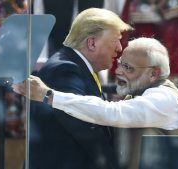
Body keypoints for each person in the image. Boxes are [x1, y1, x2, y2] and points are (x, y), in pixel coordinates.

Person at [14, 37, 178, 169]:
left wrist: (49, 95)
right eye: (120, 63)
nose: (118, 71)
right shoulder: (145, 97)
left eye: (128, 67)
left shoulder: (163, 99)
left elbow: (110, 113)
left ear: (154, 73)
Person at [26, 8, 133, 169]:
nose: (119, 48)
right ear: (91, 43)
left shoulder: (74, 64)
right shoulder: (65, 68)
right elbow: (84, 129)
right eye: (115, 41)